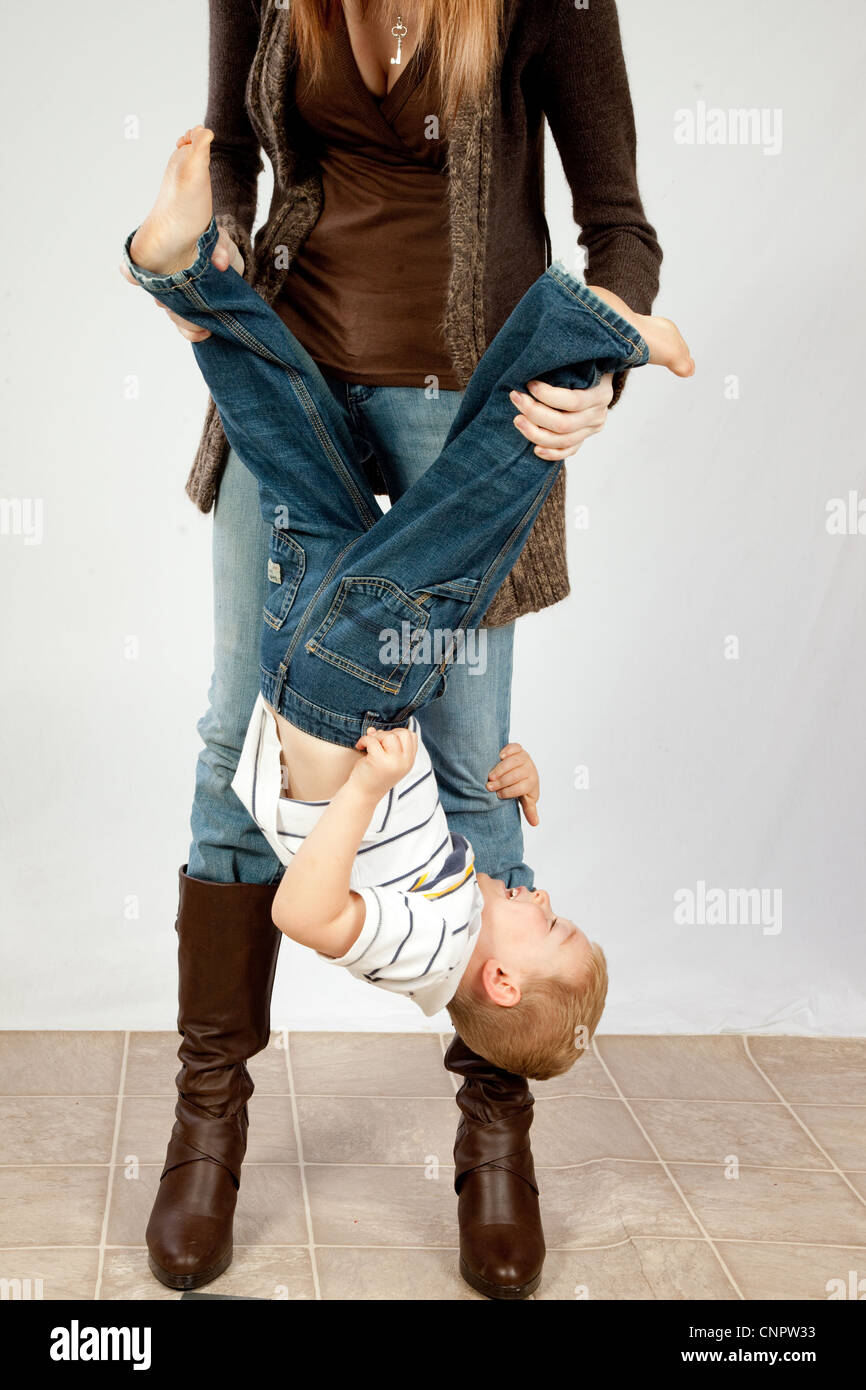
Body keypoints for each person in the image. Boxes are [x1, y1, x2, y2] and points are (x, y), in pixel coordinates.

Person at [123, 0, 666, 1299]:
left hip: (461, 393)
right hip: (302, 365)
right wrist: (229, 266)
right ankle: (210, 1113)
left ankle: (492, 1130)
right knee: (223, 738)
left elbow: (618, 227)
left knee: (472, 758)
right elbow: (242, 163)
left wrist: (602, 368)